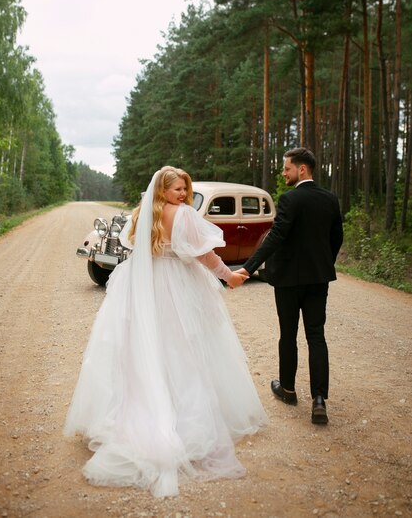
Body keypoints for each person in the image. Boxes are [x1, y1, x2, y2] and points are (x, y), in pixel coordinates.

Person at [64, 166, 268, 497]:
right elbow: (203, 253)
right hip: (177, 285)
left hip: (145, 282)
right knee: (182, 347)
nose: (183, 194)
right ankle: (179, 417)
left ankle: (141, 407)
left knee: (147, 345)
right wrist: (227, 276)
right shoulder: (184, 215)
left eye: (185, 189)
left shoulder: (141, 213)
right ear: (163, 189)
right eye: (177, 189)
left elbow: (131, 244)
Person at [237, 148, 343, 425]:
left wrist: (247, 268)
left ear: (302, 170)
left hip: (288, 281)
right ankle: (319, 399)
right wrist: (322, 265)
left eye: (287, 169)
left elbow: (275, 238)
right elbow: (336, 239)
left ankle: (287, 389)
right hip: (318, 279)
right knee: (316, 336)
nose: (284, 173)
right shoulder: (330, 199)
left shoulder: (290, 199)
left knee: (289, 334)